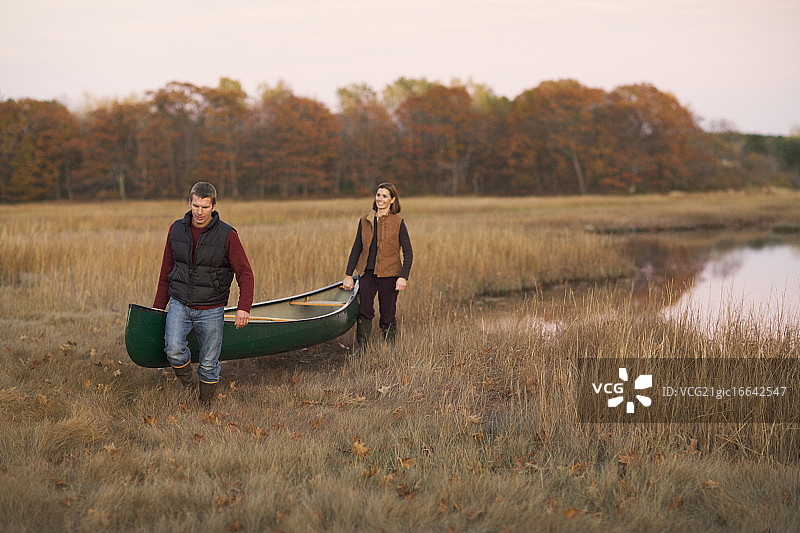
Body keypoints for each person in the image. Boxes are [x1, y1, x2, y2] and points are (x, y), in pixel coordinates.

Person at [153, 182, 254, 403]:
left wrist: (243, 307)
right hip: (180, 303)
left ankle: (205, 405)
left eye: (205, 207)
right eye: (196, 206)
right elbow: (166, 270)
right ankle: (188, 385)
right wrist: (158, 307)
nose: (199, 212)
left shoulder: (228, 235)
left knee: (209, 363)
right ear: (189, 203)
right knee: (173, 350)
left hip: (211, 308)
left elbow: (245, 274)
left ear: (214, 206)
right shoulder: (176, 229)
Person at [343, 182, 413, 355]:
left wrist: (403, 277)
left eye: (384, 196)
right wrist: (348, 275)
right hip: (367, 274)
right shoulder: (365, 220)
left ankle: (389, 351)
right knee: (364, 311)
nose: (380, 199)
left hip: (390, 275)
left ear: (392, 200)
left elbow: (409, 253)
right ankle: (362, 350)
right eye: (378, 195)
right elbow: (356, 248)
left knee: (387, 314)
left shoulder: (398, 222)